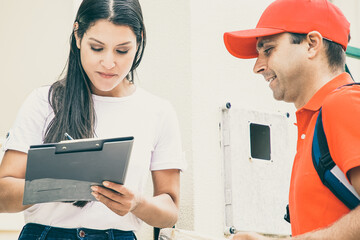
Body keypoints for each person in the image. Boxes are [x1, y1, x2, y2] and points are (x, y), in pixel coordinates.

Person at [0, 0, 185, 239]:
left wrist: (137, 203)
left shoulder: (158, 111)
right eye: (97, 48)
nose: (109, 63)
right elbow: (3, 194)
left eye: (122, 50)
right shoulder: (43, 102)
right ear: (78, 36)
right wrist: (56, 183)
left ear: (139, 41)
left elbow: (170, 211)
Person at [223, 0, 360, 239]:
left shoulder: (343, 104)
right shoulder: (316, 119)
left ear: (311, 44)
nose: (257, 66)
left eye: (268, 50)